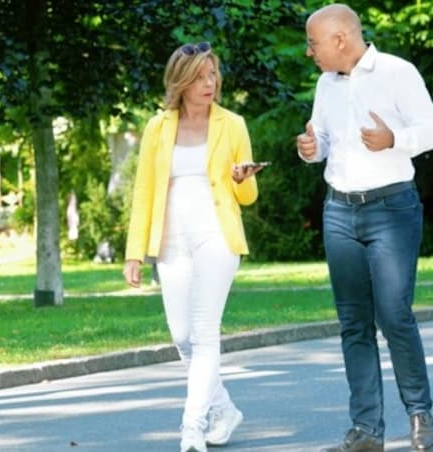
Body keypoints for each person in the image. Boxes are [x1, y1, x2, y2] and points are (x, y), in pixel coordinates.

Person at [296, 4, 433, 452]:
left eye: (313, 43)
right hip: (339, 211)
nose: (310, 52)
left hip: (392, 209)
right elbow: (322, 141)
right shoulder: (326, 84)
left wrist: (394, 139)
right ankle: (366, 430)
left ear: (340, 39)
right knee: (353, 323)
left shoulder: (397, 73)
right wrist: (310, 146)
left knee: (394, 314)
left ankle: (420, 414)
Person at [123, 41, 263, 452]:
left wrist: (242, 178)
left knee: (204, 334)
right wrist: (134, 252)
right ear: (181, 82)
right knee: (182, 336)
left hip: (216, 236)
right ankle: (225, 409)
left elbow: (249, 195)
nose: (210, 83)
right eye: (200, 76)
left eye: (213, 74)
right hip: (171, 243)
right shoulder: (158, 127)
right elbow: (144, 192)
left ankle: (191, 427)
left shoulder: (232, 124)